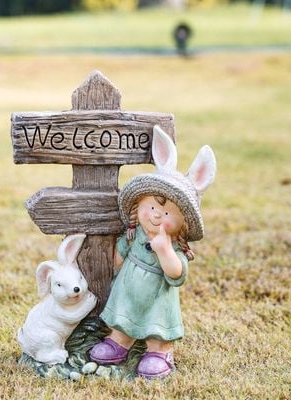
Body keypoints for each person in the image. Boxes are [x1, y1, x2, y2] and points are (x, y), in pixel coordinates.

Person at [89, 125, 217, 379]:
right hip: (129, 286)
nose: (157, 215)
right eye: (151, 207)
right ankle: (120, 341)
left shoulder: (173, 246)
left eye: (168, 212)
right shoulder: (134, 233)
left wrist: (165, 251)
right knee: (124, 314)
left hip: (158, 295)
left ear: (183, 223)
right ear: (138, 206)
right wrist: (116, 269)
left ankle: (159, 351)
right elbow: (122, 250)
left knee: (156, 323)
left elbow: (177, 274)